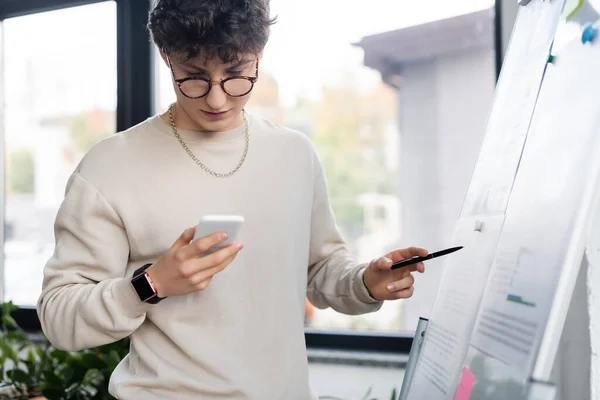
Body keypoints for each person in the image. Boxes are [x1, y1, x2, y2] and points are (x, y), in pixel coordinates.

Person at [36, 0, 428, 399]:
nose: (217, 100)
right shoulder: (110, 166)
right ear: (165, 56)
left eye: (237, 75)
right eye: (194, 77)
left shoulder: (294, 154)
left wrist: (365, 282)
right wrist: (151, 284)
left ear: (259, 55)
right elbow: (59, 317)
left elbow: (319, 268)